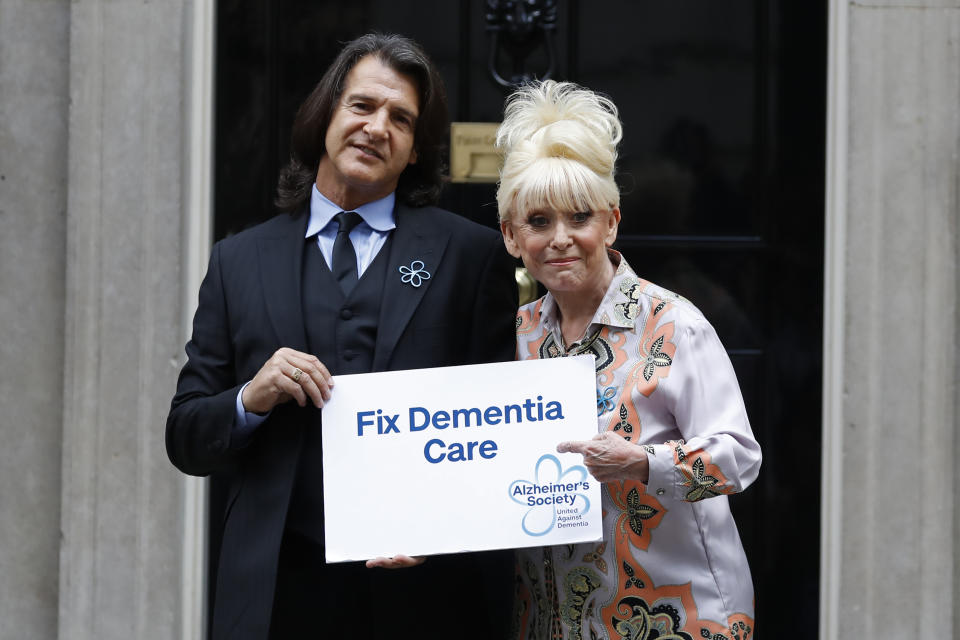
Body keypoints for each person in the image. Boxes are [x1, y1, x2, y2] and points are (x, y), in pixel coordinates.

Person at [166, 33, 517, 640]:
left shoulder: (470, 255)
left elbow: (500, 430)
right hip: (278, 594)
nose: (377, 127)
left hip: (423, 599)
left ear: (413, 151)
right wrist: (251, 397)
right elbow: (186, 437)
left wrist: (441, 527)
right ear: (326, 113)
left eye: (400, 119)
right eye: (361, 106)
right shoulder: (237, 261)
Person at [495, 80, 762, 639]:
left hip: (673, 620)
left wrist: (643, 463)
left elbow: (738, 457)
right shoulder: (514, 337)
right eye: (539, 222)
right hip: (554, 619)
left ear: (611, 221)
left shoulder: (673, 323)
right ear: (511, 236)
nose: (561, 238)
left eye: (580, 217)